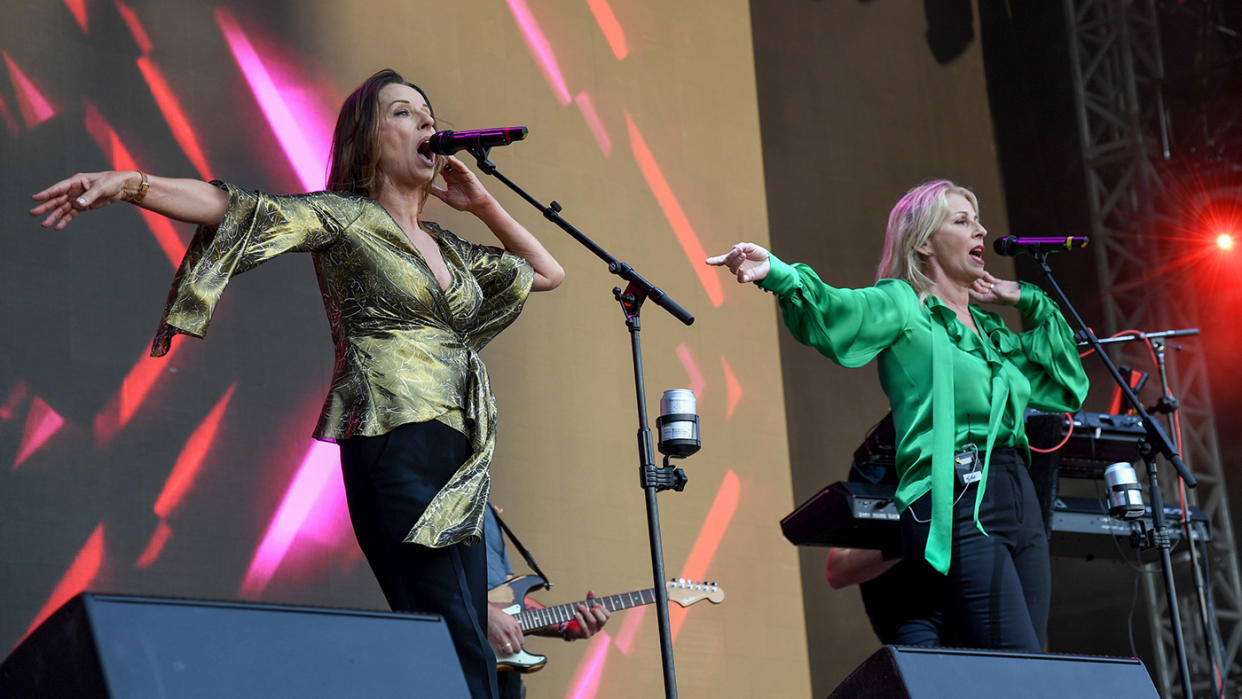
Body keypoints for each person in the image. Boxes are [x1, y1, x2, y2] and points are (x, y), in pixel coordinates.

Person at [30, 68, 564, 699]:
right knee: (456, 636)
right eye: (403, 112)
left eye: (427, 111)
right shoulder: (343, 217)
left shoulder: (449, 244)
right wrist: (132, 185)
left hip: (461, 458)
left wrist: (483, 206)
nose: (426, 122)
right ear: (368, 140)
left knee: (469, 635)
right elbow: (240, 208)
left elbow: (545, 271)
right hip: (394, 443)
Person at [707, 179, 1087, 650]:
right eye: (962, 221)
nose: (981, 230)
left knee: (1038, 671)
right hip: (957, 492)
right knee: (1018, 667)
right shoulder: (904, 304)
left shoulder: (990, 331)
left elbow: (1066, 386)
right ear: (924, 241)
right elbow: (836, 309)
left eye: (979, 220)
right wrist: (778, 274)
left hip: (1019, 495)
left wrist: (1026, 298)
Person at [483, 503, 609, 699]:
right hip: (453, 656)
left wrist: (566, 625)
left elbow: (508, 600)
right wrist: (485, 615)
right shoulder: (428, 494)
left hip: (502, 672)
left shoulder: (487, 510)